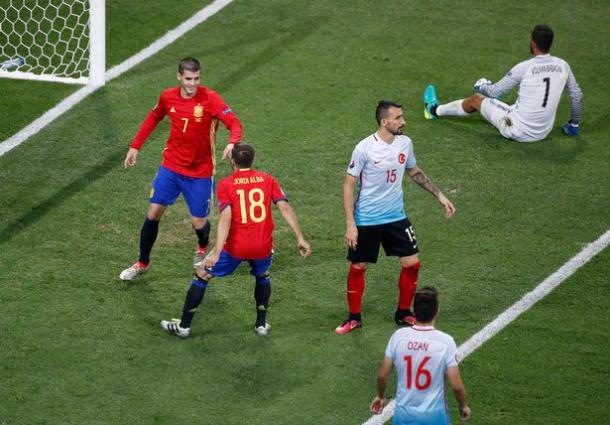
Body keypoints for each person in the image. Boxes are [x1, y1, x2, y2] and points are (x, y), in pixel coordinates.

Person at [161, 143, 311, 337]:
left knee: (202, 274)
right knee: (262, 274)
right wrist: (300, 238)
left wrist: (215, 252)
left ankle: (183, 327)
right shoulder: (268, 180)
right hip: (263, 245)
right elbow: (285, 208)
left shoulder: (226, 184)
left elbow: (226, 218)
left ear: (232, 161)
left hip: (237, 246)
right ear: (252, 160)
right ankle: (261, 325)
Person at [335, 100, 455, 335]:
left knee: (412, 263)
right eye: (398, 118)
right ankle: (354, 317)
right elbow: (349, 185)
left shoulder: (405, 143)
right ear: (384, 121)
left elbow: (414, 171)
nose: (403, 121)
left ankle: (403, 313)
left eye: (402, 117)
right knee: (359, 267)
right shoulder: (364, 148)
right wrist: (350, 224)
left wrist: (439, 195)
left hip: (396, 216)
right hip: (367, 219)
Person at [119, 57, 243, 281]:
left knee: (199, 222)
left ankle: (203, 246)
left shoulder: (211, 99)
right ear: (179, 77)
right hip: (171, 167)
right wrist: (135, 146)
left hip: (200, 172)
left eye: (196, 79)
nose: (192, 83)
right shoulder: (168, 96)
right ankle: (142, 262)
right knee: (153, 212)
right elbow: (153, 117)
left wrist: (233, 141)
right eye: (188, 79)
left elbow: (233, 122)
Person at [423, 24, 583, 142]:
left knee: (477, 98)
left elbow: (494, 91)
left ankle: (433, 110)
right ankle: (494, 106)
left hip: (517, 130)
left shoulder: (525, 67)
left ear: (533, 43)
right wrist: (573, 125)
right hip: (543, 132)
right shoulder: (563, 65)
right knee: (513, 103)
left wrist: (481, 86)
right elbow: (577, 97)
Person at [370, 287, 471, 424]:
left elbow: (382, 375)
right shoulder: (446, 342)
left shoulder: (398, 337)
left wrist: (381, 396)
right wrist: (463, 405)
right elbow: (456, 385)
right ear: (437, 312)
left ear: (413, 310)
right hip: (434, 417)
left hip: (403, 417)